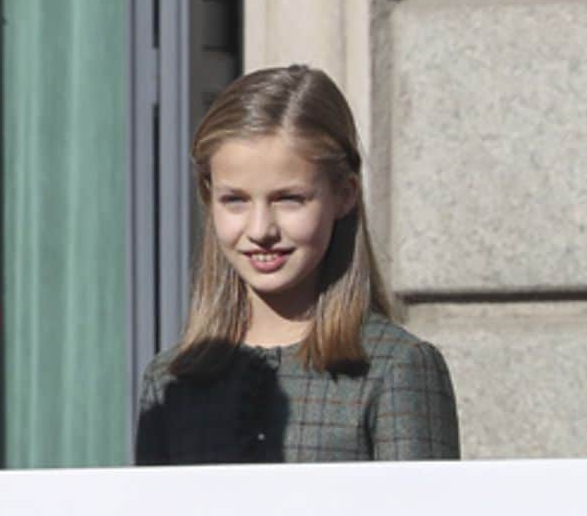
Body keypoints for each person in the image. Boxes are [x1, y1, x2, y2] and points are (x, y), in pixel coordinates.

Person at [135, 65, 459, 464]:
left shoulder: (395, 368)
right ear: (208, 197)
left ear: (344, 194)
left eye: (289, 199)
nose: (260, 230)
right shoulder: (169, 380)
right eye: (234, 200)